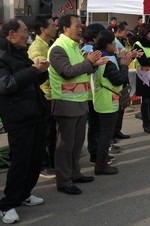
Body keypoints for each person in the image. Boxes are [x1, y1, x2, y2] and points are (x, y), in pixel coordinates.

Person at [0, 19, 50, 223]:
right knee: (21, 161)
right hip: (18, 117)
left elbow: (30, 79)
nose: (27, 34)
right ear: (11, 33)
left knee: (35, 159)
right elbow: (4, 85)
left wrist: (41, 71)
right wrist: (33, 71)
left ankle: (25, 194)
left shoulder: (19, 52)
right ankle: (8, 204)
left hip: (36, 112)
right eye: (24, 31)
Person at [48, 14, 108, 195]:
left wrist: (93, 64)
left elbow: (83, 69)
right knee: (65, 146)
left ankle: (75, 173)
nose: (81, 29)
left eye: (81, 26)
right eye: (77, 26)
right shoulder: (58, 48)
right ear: (65, 28)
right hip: (66, 104)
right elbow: (67, 72)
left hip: (80, 102)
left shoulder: (75, 47)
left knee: (76, 144)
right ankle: (64, 181)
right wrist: (89, 63)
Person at [92, 30, 132, 175]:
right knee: (106, 134)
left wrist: (121, 59)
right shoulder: (107, 61)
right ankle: (101, 165)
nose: (116, 45)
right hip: (107, 100)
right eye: (114, 43)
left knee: (104, 133)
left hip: (106, 99)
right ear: (107, 44)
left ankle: (101, 162)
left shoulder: (105, 56)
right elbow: (119, 79)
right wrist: (125, 65)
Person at [27, 15, 58, 179]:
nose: (55, 27)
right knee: (46, 133)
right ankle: (43, 165)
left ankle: (52, 161)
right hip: (45, 95)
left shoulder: (48, 45)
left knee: (52, 132)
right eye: (52, 25)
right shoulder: (37, 49)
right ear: (42, 29)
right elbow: (39, 74)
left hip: (53, 94)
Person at [80, 23, 115, 165]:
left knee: (96, 125)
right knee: (97, 126)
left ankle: (98, 152)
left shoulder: (84, 49)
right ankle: (96, 154)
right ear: (95, 38)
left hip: (89, 92)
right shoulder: (92, 51)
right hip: (94, 93)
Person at [112, 21, 131, 139]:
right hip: (116, 77)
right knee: (116, 108)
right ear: (119, 32)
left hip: (123, 75)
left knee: (122, 106)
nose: (127, 32)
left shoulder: (121, 42)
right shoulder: (112, 42)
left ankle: (117, 130)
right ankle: (113, 132)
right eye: (126, 30)